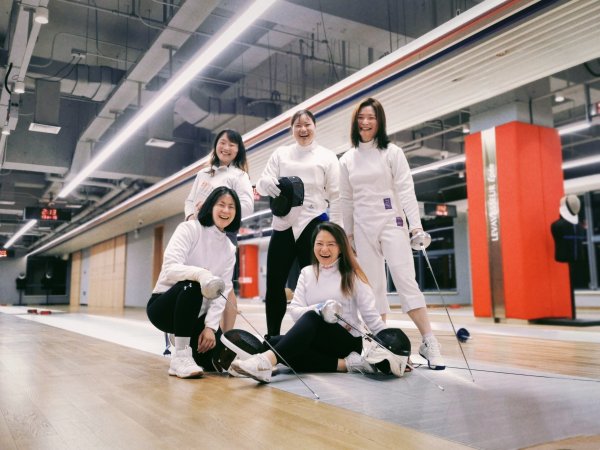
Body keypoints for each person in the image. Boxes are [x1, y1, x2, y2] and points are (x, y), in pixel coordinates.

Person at [339, 97, 445, 370]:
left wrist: (415, 225)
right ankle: (380, 343)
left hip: (392, 221)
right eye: (361, 117)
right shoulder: (347, 159)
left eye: (371, 117)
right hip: (362, 226)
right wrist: (347, 235)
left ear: (380, 122)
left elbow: (406, 189)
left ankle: (429, 341)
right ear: (355, 122)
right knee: (372, 287)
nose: (365, 122)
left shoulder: (392, 152)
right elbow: (346, 200)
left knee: (405, 279)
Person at [230, 222, 396, 383]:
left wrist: (394, 348)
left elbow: (371, 317)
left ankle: (265, 362)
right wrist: (320, 308)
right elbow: (295, 311)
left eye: (331, 244)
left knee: (309, 319)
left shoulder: (352, 275)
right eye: (320, 244)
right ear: (313, 245)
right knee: (273, 343)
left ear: (340, 248)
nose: (324, 249)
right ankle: (345, 365)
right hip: (318, 341)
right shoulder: (307, 273)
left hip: (346, 342)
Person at [255, 110, 342, 337]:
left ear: (315, 126)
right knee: (275, 284)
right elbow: (262, 184)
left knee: (315, 283)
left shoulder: (327, 156)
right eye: (298, 125)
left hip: (314, 225)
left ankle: (316, 337)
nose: (303, 129)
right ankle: (272, 336)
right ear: (291, 129)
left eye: (307, 124)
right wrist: (266, 183)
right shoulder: (281, 154)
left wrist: (338, 231)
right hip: (283, 225)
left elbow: (336, 196)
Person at [147, 186, 241, 378]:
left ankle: (185, 339)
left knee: (218, 363)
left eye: (231, 206)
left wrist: (210, 328)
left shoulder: (229, 249)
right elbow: (170, 268)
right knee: (193, 285)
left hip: (198, 316)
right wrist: (200, 274)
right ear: (210, 206)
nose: (226, 210)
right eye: (221, 204)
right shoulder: (189, 229)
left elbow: (223, 291)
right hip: (164, 307)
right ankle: (180, 356)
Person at [184, 129, 253, 331]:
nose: (226, 147)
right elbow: (190, 200)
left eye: (232, 144)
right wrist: (190, 218)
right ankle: (194, 330)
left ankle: (227, 336)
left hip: (224, 234)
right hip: (198, 233)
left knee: (225, 285)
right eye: (223, 142)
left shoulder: (239, 176)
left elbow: (247, 206)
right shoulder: (203, 173)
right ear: (216, 146)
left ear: (238, 150)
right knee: (196, 279)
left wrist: (217, 208)